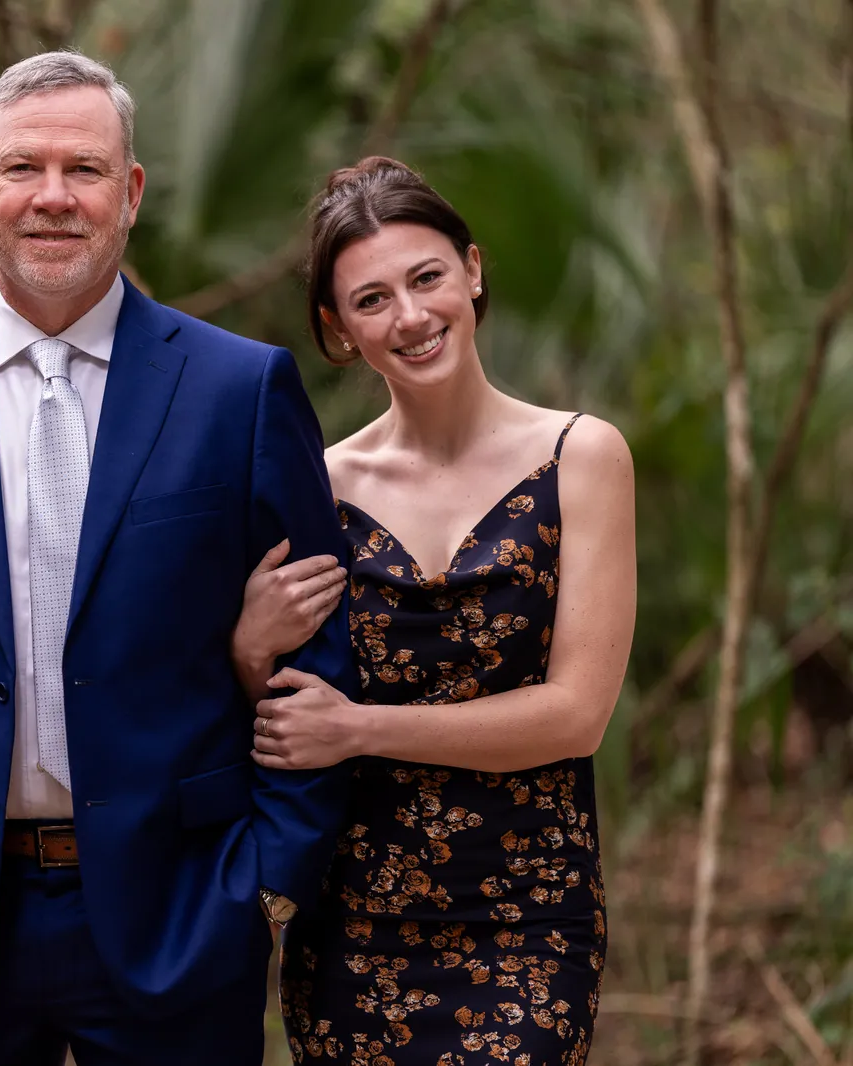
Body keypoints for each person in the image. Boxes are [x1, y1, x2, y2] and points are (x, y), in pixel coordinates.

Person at [0, 50, 355, 1065]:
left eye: (84, 170)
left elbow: (316, 657)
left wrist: (268, 883)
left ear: (131, 192)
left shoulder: (239, 390)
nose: (51, 197)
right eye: (22, 168)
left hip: (182, 911)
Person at [232, 156, 636, 1065]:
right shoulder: (318, 488)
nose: (410, 317)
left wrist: (362, 728)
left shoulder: (583, 457)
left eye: (427, 278)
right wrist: (250, 648)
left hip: (531, 911)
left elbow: (577, 715)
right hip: (352, 916)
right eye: (372, 300)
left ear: (474, 271)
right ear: (339, 329)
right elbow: (286, 716)